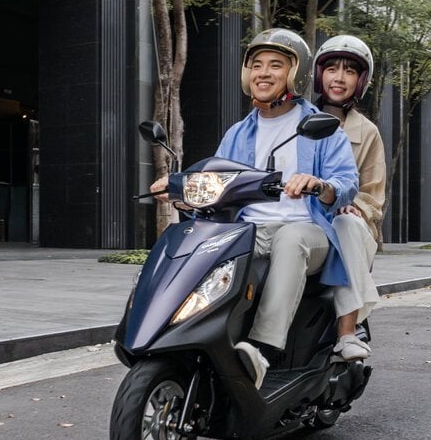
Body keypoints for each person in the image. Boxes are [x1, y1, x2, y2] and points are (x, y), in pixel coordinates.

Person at [151, 28, 358, 388]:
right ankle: (190, 339)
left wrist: (318, 184)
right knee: (198, 243)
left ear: (295, 74)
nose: (263, 73)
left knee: (291, 239)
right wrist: (180, 193)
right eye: (256, 65)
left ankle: (264, 348)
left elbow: (346, 185)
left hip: (307, 231)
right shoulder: (237, 134)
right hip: (249, 230)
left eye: (276, 65)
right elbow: (219, 186)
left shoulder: (323, 130)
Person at [312, 34, 386, 362]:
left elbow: (373, 196)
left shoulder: (366, 131)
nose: (339, 78)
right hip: (306, 221)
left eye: (349, 71)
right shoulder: (295, 119)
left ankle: (347, 331)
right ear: (318, 74)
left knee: (343, 222)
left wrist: (350, 203)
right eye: (332, 69)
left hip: (351, 226)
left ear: (361, 81)